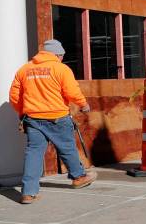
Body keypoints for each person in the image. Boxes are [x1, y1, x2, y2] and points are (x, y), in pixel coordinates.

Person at [9, 39, 95, 204]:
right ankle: (78, 177)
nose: (61, 59)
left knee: (33, 153)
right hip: (57, 117)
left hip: (33, 118)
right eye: (61, 56)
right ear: (57, 54)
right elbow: (71, 91)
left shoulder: (25, 69)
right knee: (67, 148)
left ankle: (28, 193)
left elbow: (14, 96)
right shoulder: (61, 69)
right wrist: (83, 105)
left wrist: (22, 112)